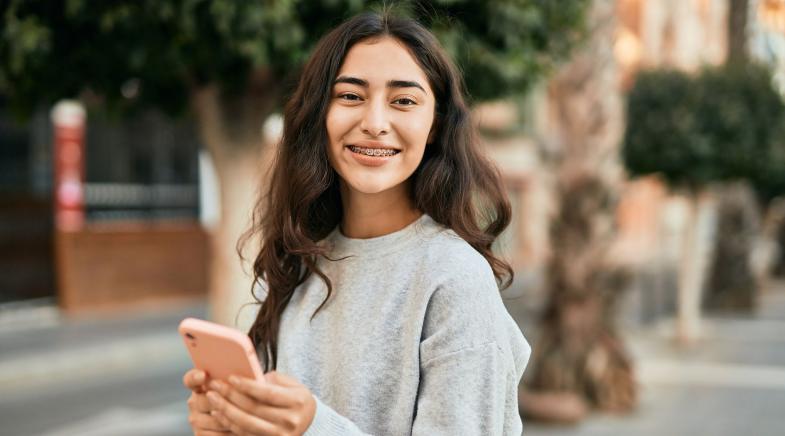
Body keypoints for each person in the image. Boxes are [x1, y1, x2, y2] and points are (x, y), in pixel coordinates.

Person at [183, 10, 531, 436]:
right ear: (320, 114)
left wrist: (311, 428)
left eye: (403, 101)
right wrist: (233, 422)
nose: (374, 123)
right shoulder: (300, 262)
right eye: (350, 96)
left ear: (435, 125)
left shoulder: (455, 279)